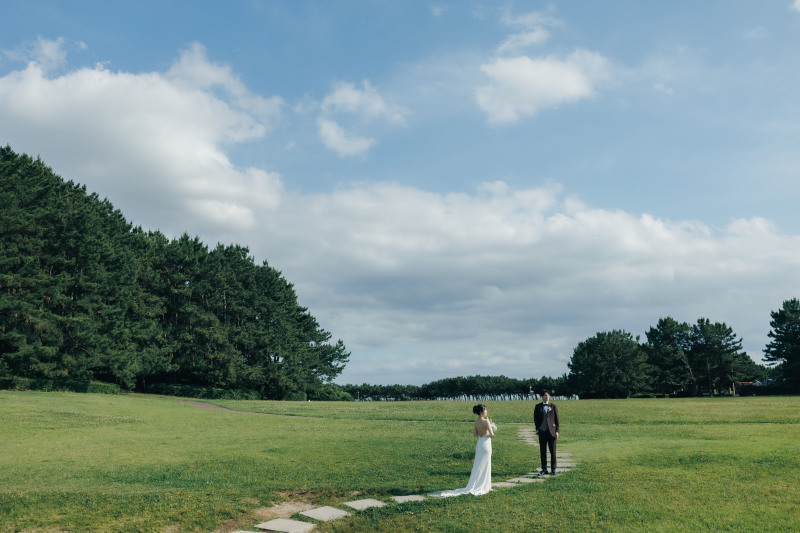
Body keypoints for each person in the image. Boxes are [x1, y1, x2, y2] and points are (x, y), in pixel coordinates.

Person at [436, 404, 495, 497]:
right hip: (486, 443)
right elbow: (492, 434)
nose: (486, 411)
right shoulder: (486, 421)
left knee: (478, 464)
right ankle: (484, 485)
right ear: (481, 412)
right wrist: (487, 431)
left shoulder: (476, 422)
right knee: (486, 463)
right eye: (485, 410)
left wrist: (482, 433)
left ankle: (479, 484)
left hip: (480, 443)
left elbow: (475, 434)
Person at [533, 390, 559, 475]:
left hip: (552, 432)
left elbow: (557, 419)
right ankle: (544, 469)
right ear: (542, 397)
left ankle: (553, 468)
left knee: (553, 451)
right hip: (542, 432)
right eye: (545, 395)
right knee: (543, 451)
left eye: (548, 395)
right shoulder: (538, 407)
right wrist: (538, 429)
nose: (547, 397)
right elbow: (536, 419)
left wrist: (557, 431)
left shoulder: (553, 406)